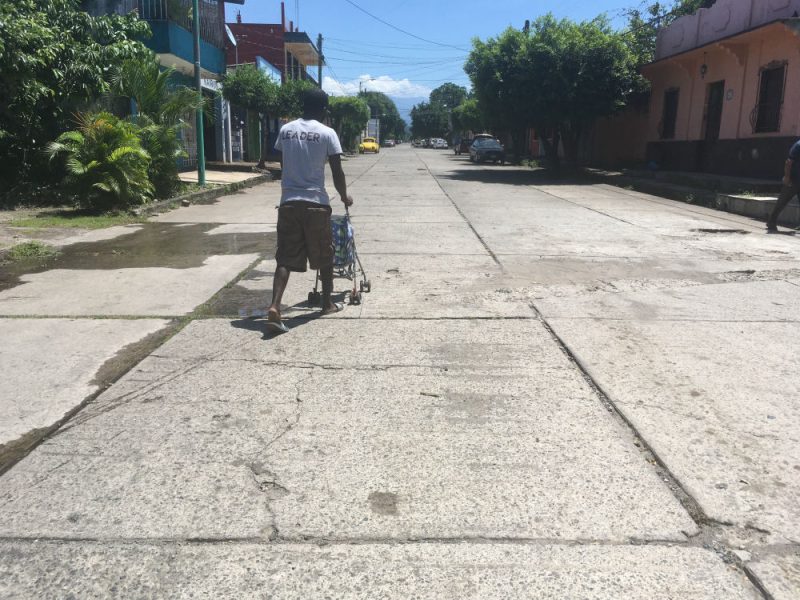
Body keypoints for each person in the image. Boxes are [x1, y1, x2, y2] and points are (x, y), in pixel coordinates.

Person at [266, 88, 354, 333]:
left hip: (289, 203)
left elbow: (284, 165)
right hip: (316, 204)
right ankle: (326, 304)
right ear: (324, 109)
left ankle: (275, 306)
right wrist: (345, 196)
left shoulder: (286, 130)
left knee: (284, 257)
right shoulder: (328, 133)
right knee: (324, 254)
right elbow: (337, 171)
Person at [767, 138, 800, 233]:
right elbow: (789, 162)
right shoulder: (798, 146)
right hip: (793, 180)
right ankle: (771, 221)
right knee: (782, 201)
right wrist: (787, 177)